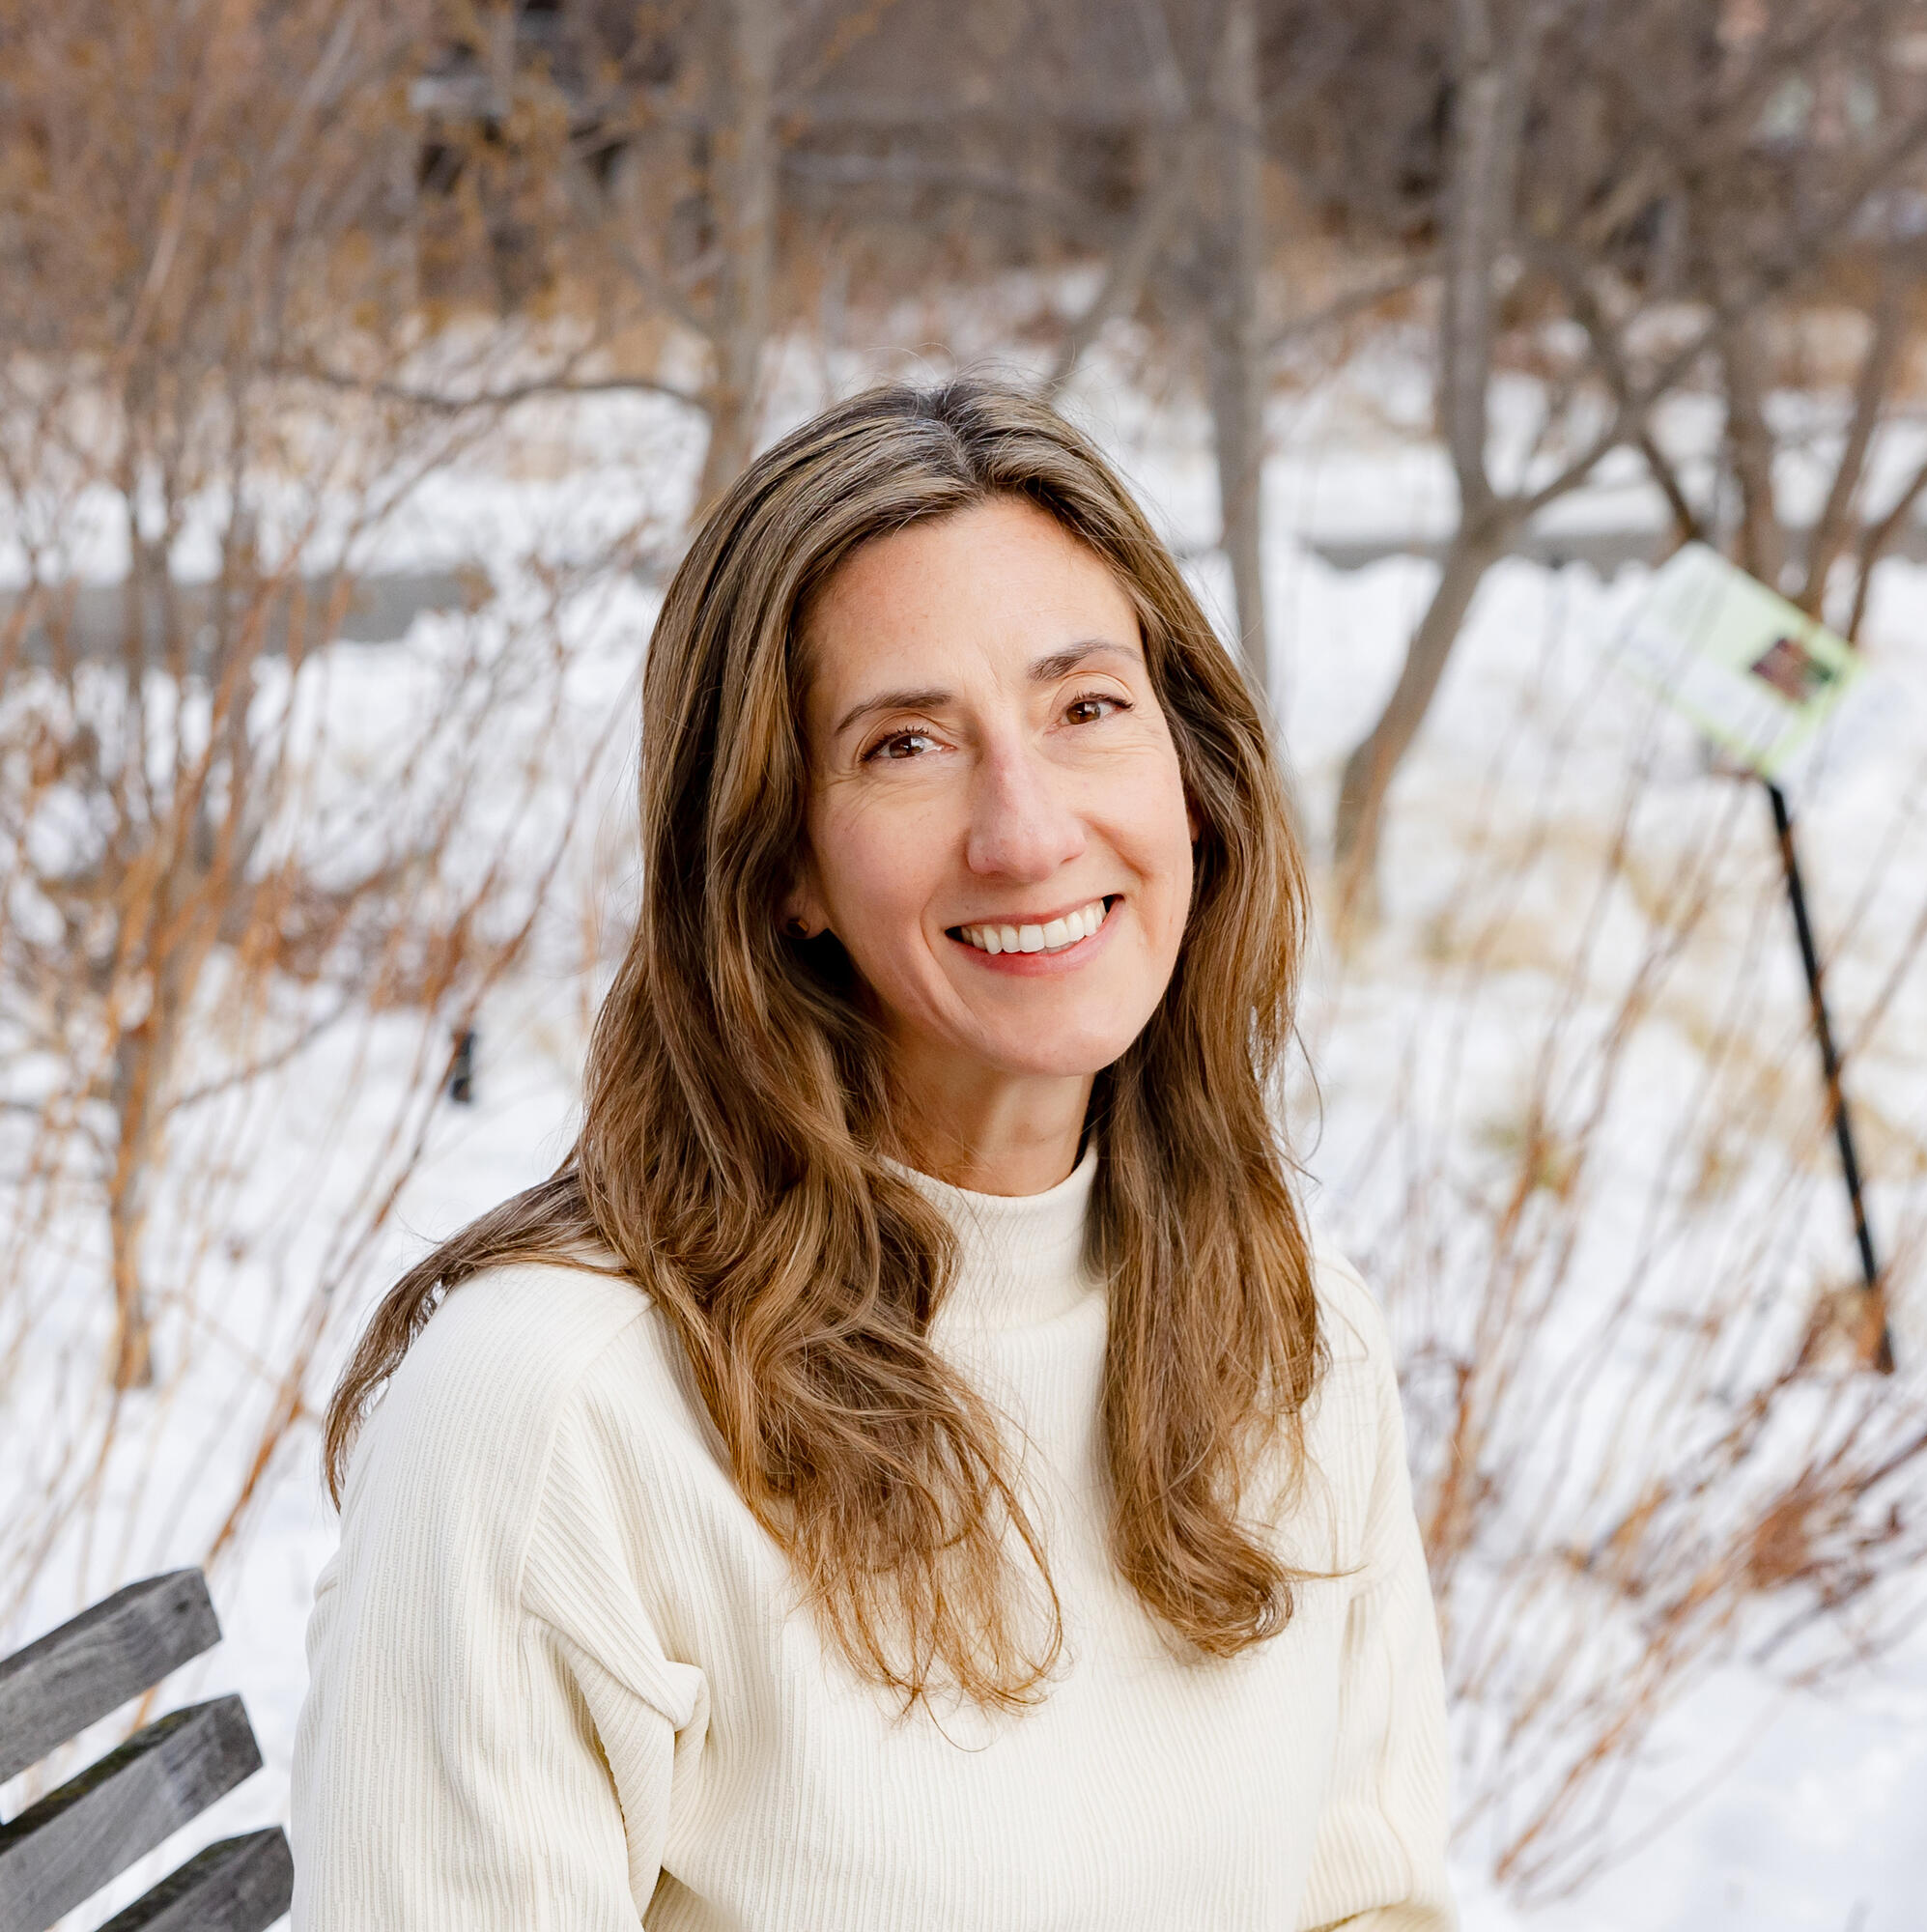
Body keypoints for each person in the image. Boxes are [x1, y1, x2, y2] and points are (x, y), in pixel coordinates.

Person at [292, 379, 1455, 1930]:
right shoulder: (558, 1419)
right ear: (782, 864)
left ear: (1190, 776)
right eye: (907, 744)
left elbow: (1360, 1904)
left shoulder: (1294, 1342)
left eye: (1087, 707)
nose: (1027, 831)